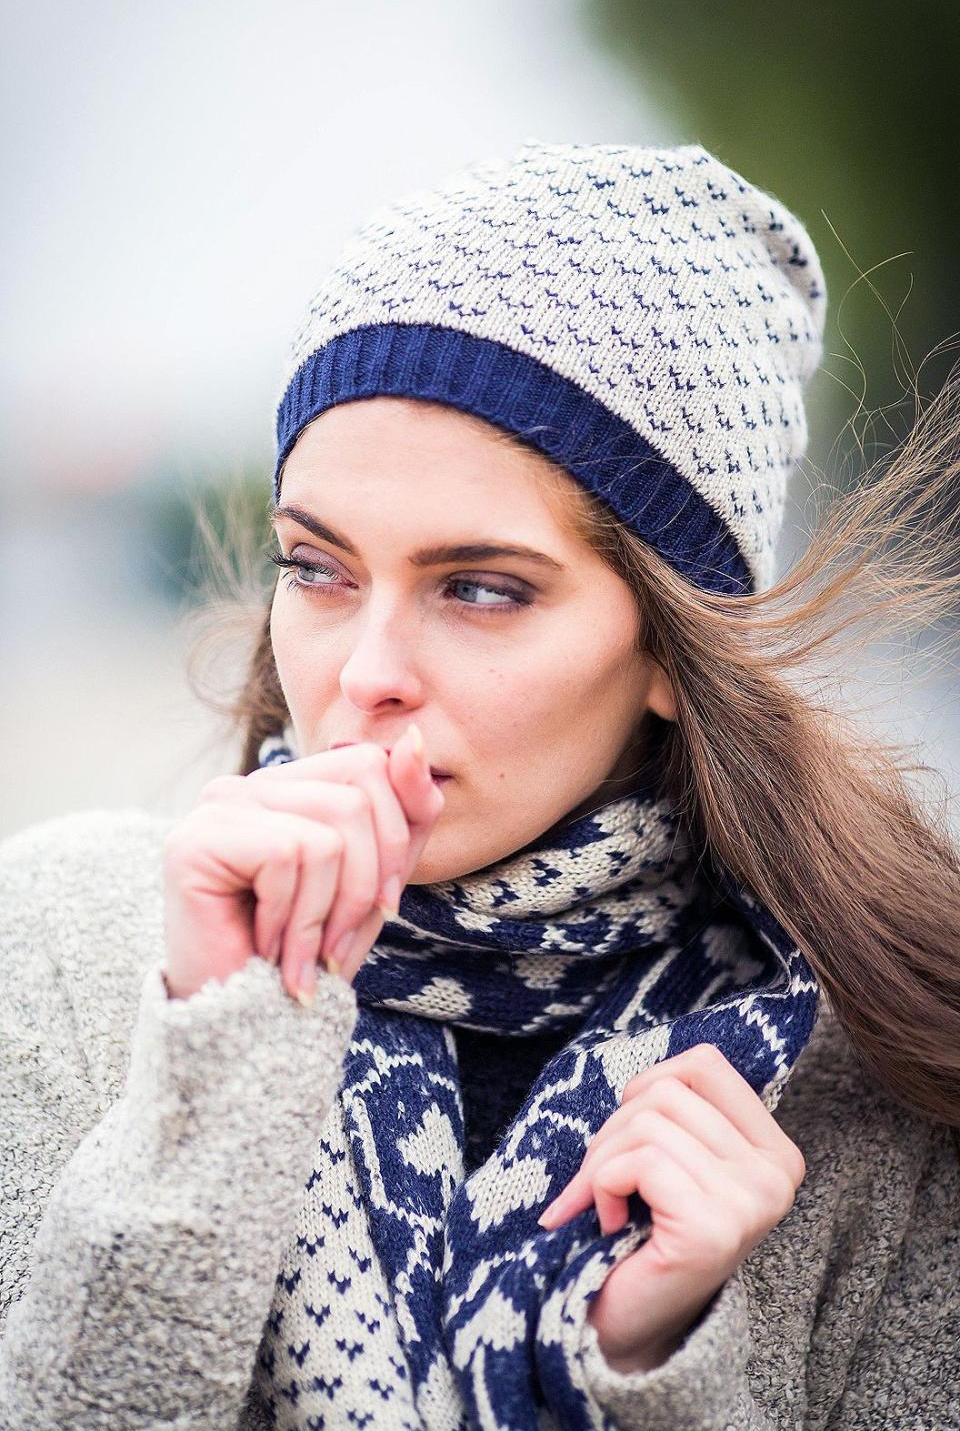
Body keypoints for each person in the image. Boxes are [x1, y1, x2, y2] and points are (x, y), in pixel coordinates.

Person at [1, 140, 958, 1431]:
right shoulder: (61, 949)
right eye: (318, 567)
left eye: (481, 588)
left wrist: (655, 1365)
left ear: (672, 650)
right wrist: (206, 1092)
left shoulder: (880, 1104)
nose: (365, 675)